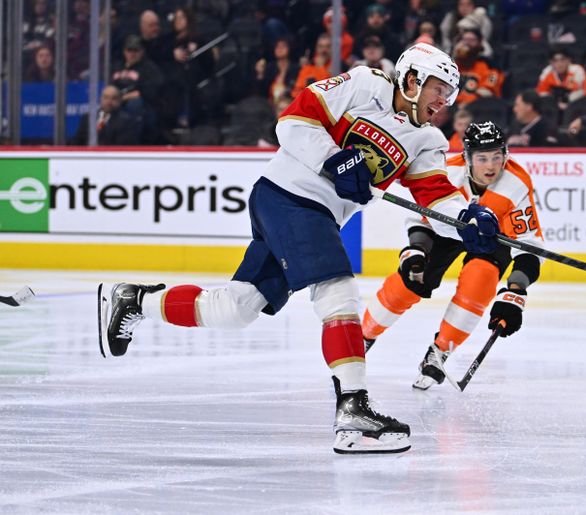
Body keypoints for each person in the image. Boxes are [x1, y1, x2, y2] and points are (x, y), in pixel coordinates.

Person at [97, 43, 501, 455]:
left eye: (450, 95)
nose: (444, 102)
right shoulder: (364, 85)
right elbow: (293, 121)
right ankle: (352, 407)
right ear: (412, 80)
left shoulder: (427, 140)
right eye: (439, 89)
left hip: (317, 215)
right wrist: (336, 160)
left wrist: (466, 218)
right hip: (287, 194)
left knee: (236, 308)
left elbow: (433, 196)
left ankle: (135, 301)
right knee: (338, 288)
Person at [361, 122, 543, 390]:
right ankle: (363, 335)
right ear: (468, 158)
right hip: (448, 227)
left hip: (492, 235)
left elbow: (528, 245)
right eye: (482, 158)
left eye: (497, 156)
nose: (491, 166)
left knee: (480, 279)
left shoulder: (516, 183)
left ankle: (440, 351)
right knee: (411, 279)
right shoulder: (447, 172)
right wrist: (418, 248)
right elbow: (422, 218)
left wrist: (516, 291)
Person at [71, 85, 141, 146]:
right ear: (101, 98)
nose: (109, 101)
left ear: (119, 100)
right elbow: (78, 140)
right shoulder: (88, 118)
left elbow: (124, 145)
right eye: (106, 97)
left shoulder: (128, 121)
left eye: (113, 98)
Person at [536, 47, 586, 113]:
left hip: (575, 107)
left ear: (569, 60)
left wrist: (568, 100)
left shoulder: (577, 70)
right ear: (551, 62)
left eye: (562, 60)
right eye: (555, 60)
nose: (559, 64)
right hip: (554, 108)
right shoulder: (547, 72)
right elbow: (540, 92)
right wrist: (554, 102)